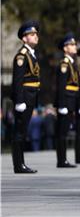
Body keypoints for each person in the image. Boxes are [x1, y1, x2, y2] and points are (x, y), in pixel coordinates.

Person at [11, 20, 40, 173]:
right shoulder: (21, 56)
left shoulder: (31, 54)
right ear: (24, 38)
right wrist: (19, 100)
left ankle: (21, 163)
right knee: (19, 132)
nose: (35, 36)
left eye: (36, 33)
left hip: (30, 96)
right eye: (31, 34)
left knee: (22, 131)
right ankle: (18, 165)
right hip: (25, 98)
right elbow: (18, 80)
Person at [54, 33, 78, 168]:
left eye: (74, 44)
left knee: (64, 132)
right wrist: (62, 104)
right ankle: (61, 160)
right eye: (72, 45)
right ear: (65, 48)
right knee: (62, 133)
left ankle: (63, 159)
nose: (74, 47)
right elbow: (61, 86)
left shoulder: (71, 63)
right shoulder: (64, 64)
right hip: (65, 102)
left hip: (70, 102)